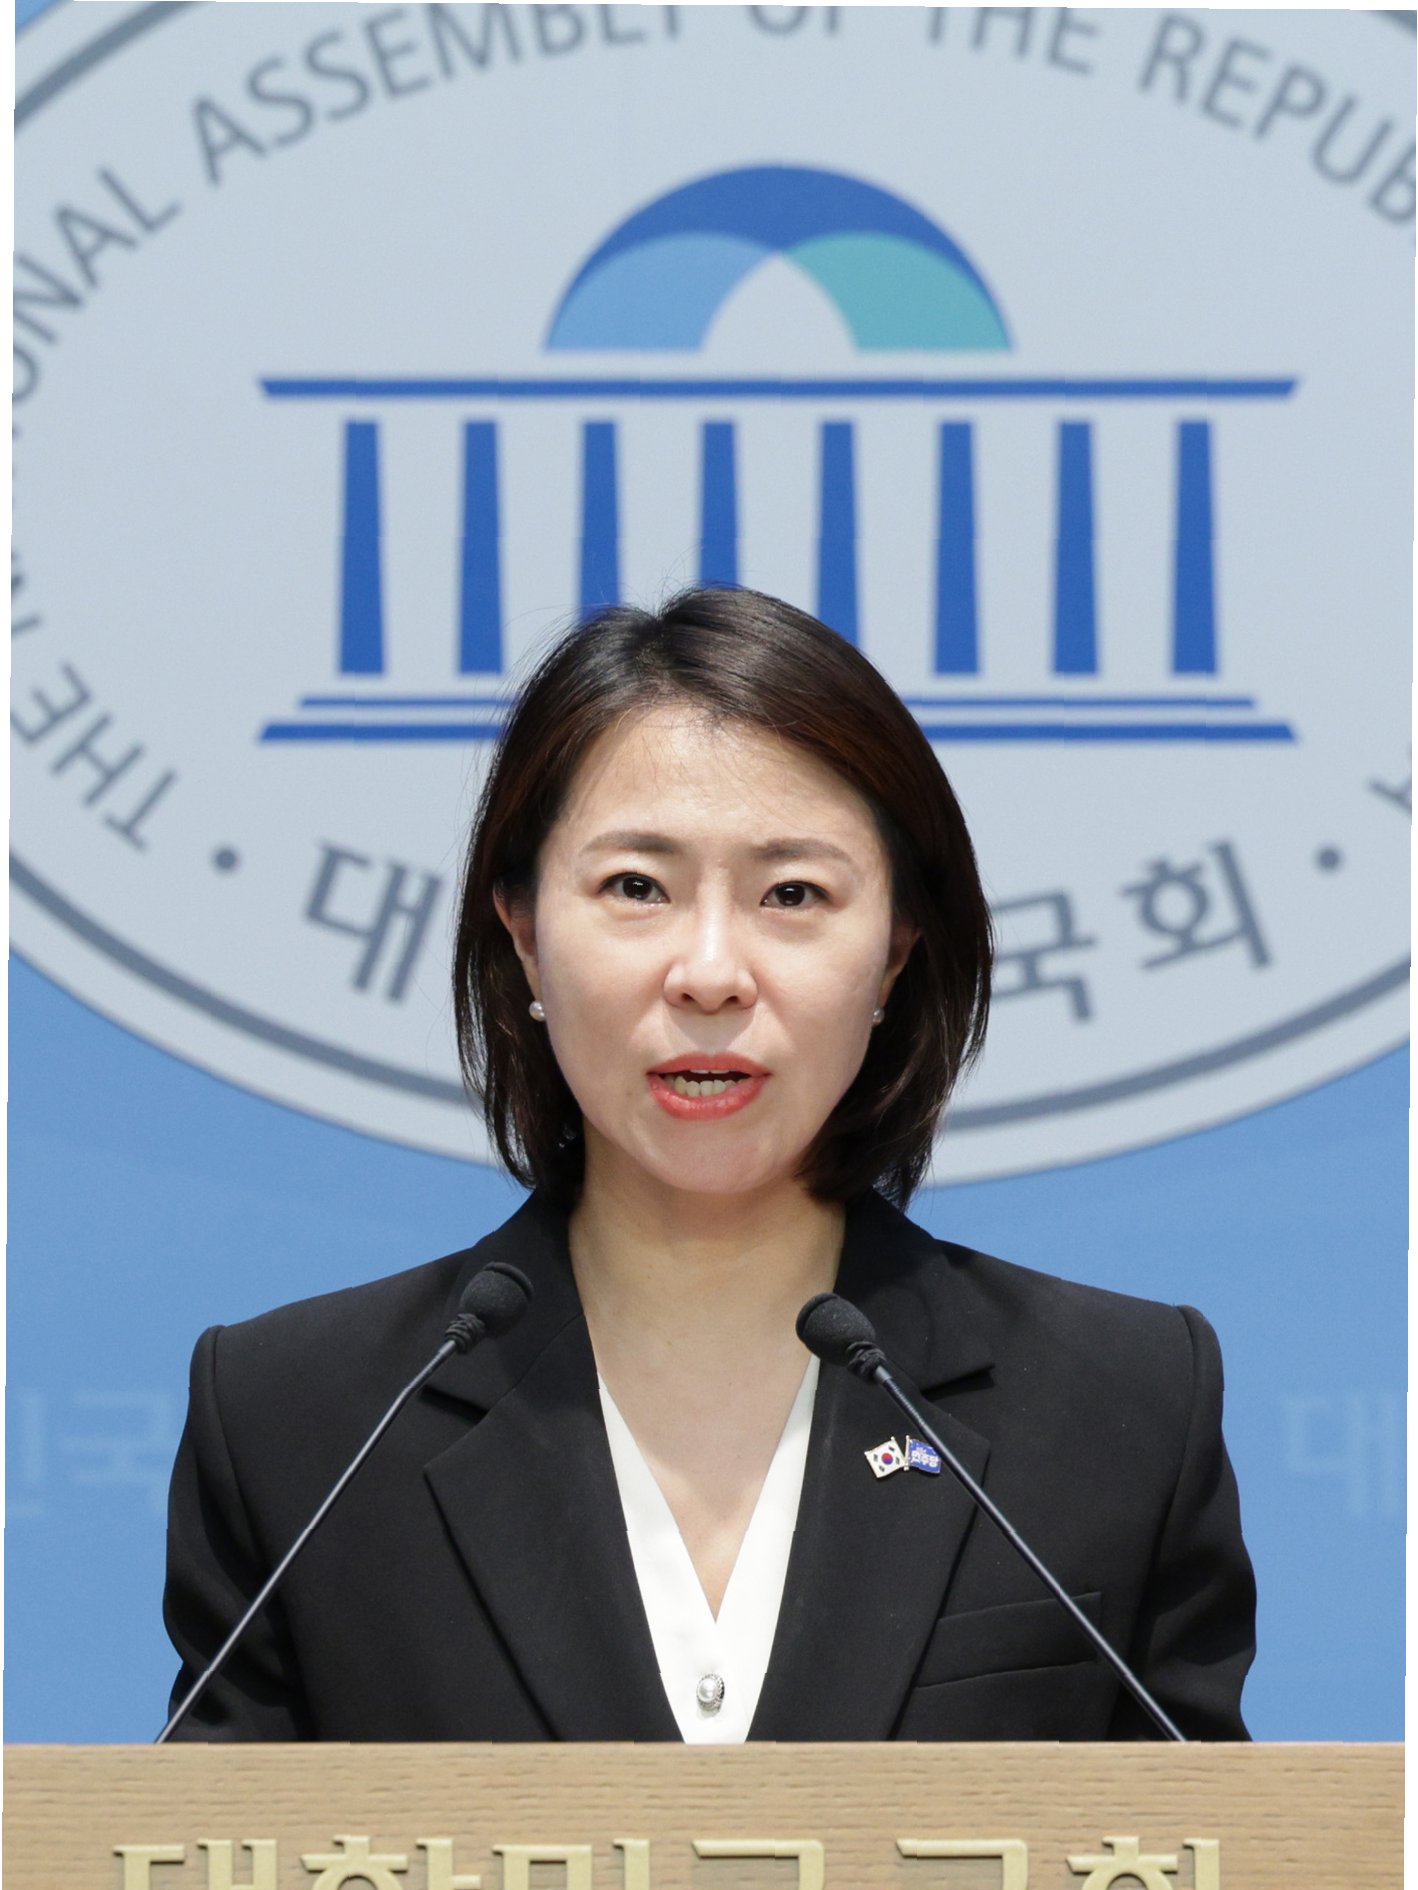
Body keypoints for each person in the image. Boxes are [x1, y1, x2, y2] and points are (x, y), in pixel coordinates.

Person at [163, 585, 1255, 1743]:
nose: (710, 973)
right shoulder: (303, 1425)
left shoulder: (1115, 1408)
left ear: (893, 953)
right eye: (636, 887)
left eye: (792, 893)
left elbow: (1207, 1850)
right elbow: (205, 1857)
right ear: (523, 932)